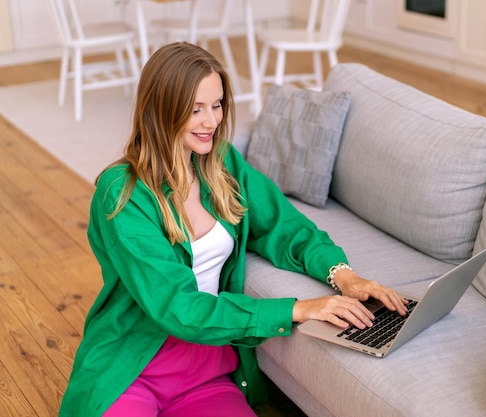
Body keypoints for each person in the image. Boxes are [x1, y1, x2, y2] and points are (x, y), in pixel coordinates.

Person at [59, 42, 408, 417]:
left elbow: (284, 226)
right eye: (195, 110)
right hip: (131, 368)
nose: (211, 121)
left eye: (217, 104)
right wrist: (298, 309)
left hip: (206, 371)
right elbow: (177, 308)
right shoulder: (122, 193)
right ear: (160, 111)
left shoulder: (222, 162)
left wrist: (345, 276)